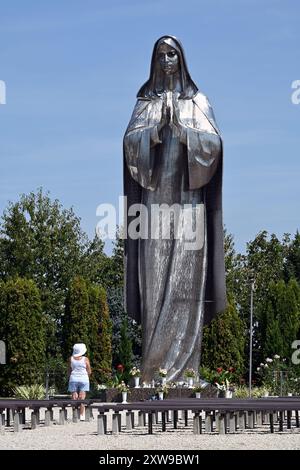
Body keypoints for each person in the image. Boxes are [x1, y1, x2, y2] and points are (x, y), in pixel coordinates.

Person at [124, 35, 226, 382]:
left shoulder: (198, 100)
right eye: (161, 55)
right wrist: (154, 132)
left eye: (172, 54)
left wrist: (183, 132)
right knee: (153, 280)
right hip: (154, 207)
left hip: (189, 205)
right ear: (154, 61)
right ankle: (153, 370)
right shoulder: (145, 102)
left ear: (182, 58)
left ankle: (187, 370)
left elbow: (214, 144)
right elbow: (129, 145)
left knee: (186, 283)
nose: (167, 60)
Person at [68, 343, 91, 421]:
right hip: (84, 379)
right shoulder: (85, 359)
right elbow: (89, 370)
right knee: (82, 397)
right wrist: (86, 375)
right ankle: (81, 415)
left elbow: (69, 370)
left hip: (73, 378)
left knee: (74, 397)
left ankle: (74, 415)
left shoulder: (71, 358)